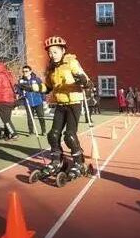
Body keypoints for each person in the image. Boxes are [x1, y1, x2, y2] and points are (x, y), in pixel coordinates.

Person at [28, 36, 92, 177]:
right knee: (53, 135)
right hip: (60, 104)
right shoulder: (51, 68)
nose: (52, 55)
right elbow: (48, 87)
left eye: (55, 52)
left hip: (74, 102)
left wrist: (83, 81)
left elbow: (86, 80)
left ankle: (79, 163)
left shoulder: (71, 62)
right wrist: (34, 87)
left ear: (63, 50)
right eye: (50, 52)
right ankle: (57, 161)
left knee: (69, 135)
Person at [0, 61, 19, 140]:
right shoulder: (7, 74)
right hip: (10, 99)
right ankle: (7, 135)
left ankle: (13, 133)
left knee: (5, 119)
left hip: (2, 100)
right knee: (7, 118)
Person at [17, 65, 46, 136]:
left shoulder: (37, 79)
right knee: (30, 118)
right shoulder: (21, 81)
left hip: (38, 101)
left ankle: (43, 131)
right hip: (28, 102)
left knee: (41, 116)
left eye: (26, 71)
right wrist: (21, 94)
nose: (25, 73)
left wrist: (44, 99)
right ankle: (31, 131)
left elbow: (42, 89)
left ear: (30, 71)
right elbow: (19, 91)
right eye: (23, 71)